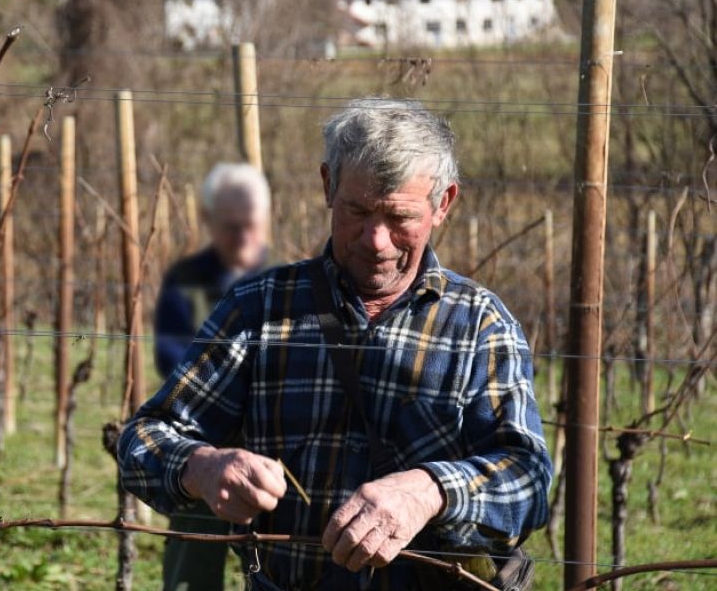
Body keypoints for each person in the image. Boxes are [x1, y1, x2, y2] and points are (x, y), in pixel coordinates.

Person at [118, 98, 552, 590]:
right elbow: (145, 439)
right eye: (358, 211)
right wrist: (202, 466)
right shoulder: (260, 310)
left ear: (443, 204)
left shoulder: (480, 325)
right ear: (328, 186)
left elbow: (528, 482)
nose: (377, 240)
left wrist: (429, 491)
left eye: (399, 217)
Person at [153, 162, 272, 591]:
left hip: (270, 448)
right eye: (230, 226)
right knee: (193, 555)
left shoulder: (283, 282)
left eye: (251, 225)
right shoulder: (187, 280)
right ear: (209, 222)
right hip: (203, 438)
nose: (242, 236)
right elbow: (169, 356)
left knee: (273, 559)